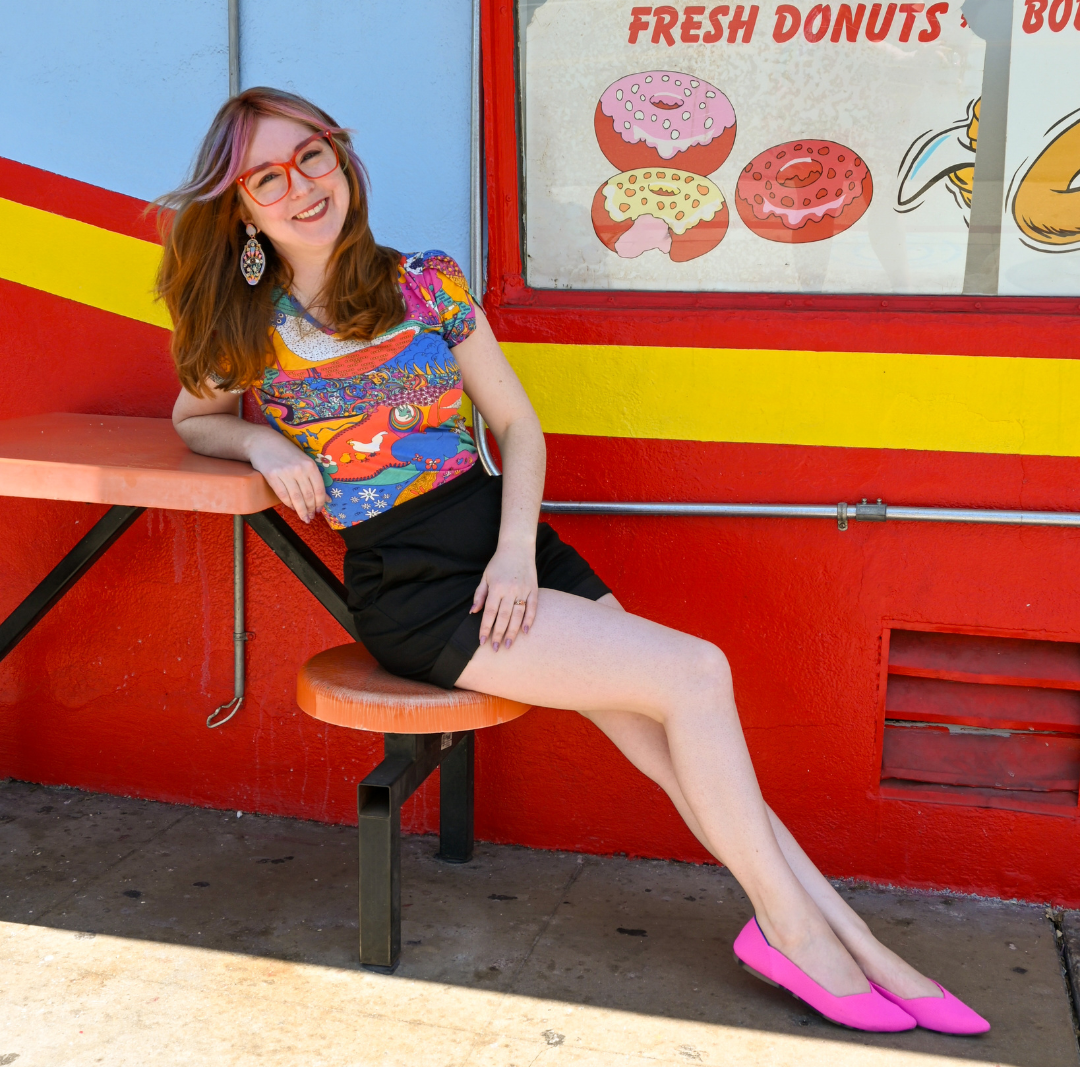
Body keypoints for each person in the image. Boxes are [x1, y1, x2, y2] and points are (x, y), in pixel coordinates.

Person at [160, 87, 988, 1036]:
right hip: (422, 591)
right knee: (696, 672)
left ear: (342, 159)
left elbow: (514, 423)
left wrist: (517, 554)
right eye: (268, 176)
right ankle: (800, 936)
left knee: (679, 747)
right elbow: (195, 419)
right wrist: (264, 446)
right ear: (243, 208)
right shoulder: (246, 327)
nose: (301, 186)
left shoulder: (425, 280)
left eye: (313, 155)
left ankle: (863, 951)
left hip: (507, 544)